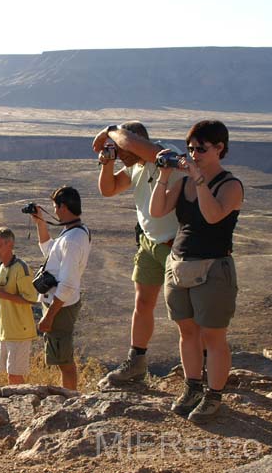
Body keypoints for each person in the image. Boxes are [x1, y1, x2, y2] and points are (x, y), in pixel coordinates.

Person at [150, 120, 243, 423]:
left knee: (214, 336)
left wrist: (199, 179)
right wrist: (165, 175)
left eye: (200, 149)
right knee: (186, 331)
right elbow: (157, 210)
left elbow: (213, 216)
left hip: (213, 267)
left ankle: (213, 395)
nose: (193, 154)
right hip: (179, 265)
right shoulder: (184, 183)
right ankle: (192, 387)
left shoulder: (231, 186)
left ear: (220, 148)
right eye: (190, 149)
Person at [92, 121, 185, 385]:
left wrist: (109, 130)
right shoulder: (136, 166)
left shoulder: (164, 154)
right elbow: (107, 189)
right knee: (142, 304)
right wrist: (107, 162)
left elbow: (131, 144)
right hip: (148, 244)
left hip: (174, 245)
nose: (121, 153)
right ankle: (136, 361)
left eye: (121, 148)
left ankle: (197, 365)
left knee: (182, 310)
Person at [30, 186, 91, 390]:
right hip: (58, 304)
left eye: (55, 207)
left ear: (63, 207)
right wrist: (39, 222)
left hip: (61, 307)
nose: (54, 211)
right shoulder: (72, 233)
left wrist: (49, 317)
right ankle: (69, 397)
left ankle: (70, 401)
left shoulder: (73, 240)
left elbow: (66, 284)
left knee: (64, 360)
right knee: (61, 357)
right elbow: (49, 249)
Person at [0, 227, 39, 385]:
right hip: (4, 331)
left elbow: (31, 299)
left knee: (15, 376)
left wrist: (0, 294)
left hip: (19, 332)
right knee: (9, 374)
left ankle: (21, 406)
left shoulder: (21, 268)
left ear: (10, 245)